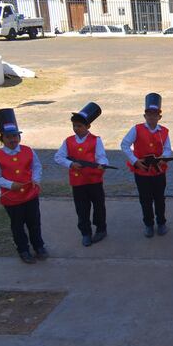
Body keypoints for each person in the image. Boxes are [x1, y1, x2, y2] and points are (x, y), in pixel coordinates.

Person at [0, 108, 46, 264]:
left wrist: (36, 179)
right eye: (8, 137)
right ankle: (23, 250)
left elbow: (37, 167)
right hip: (12, 198)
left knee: (34, 222)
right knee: (18, 226)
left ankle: (39, 246)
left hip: (30, 194)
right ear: (2, 139)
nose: (13, 139)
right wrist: (10, 184)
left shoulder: (28, 150)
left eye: (15, 136)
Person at [54, 102, 109, 246]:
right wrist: (71, 164)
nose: (76, 129)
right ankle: (85, 232)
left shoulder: (96, 140)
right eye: (74, 126)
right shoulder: (68, 141)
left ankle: (101, 229)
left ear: (88, 127)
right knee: (82, 209)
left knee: (99, 206)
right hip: (78, 182)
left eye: (80, 126)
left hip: (94, 180)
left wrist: (102, 165)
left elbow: (101, 156)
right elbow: (58, 157)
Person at [121, 93, 172, 238]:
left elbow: (168, 148)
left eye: (155, 114)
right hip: (142, 172)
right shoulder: (136, 129)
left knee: (160, 199)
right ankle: (148, 224)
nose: (152, 117)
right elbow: (124, 145)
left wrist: (164, 158)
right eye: (149, 114)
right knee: (145, 200)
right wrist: (135, 160)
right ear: (145, 116)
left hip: (158, 171)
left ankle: (161, 222)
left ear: (159, 117)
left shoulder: (164, 131)